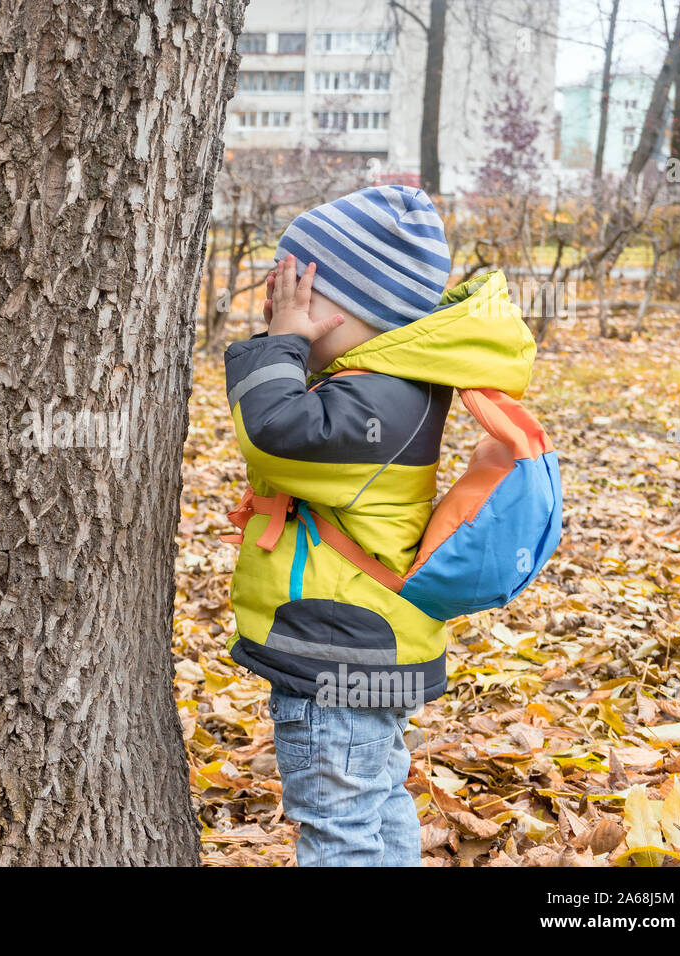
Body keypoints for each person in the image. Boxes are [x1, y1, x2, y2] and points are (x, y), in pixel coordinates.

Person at [222, 185, 534, 865]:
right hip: (366, 645)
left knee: (341, 824)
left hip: (341, 654)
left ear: (356, 309)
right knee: (376, 802)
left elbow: (275, 434)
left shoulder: (378, 401)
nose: (286, 308)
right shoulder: (393, 382)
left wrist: (279, 345)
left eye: (302, 292)